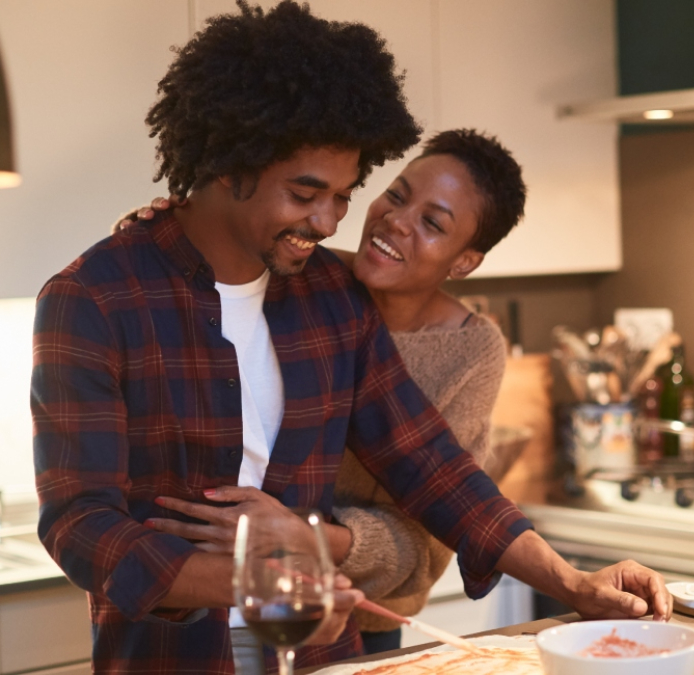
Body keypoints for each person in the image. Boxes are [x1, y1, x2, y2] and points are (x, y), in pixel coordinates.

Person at [31, 4, 669, 675]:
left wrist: (574, 582)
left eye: (344, 194)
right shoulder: (94, 299)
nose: (330, 220)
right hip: (171, 657)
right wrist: (258, 579)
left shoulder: (327, 293)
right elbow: (80, 525)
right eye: (307, 193)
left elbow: (432, 465)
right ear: (230, 161)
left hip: (321, 655)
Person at [125, 128, 528, 654]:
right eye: (398, 194)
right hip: (235, 594)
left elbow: (433, 521)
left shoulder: (470, 351)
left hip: (363, 610)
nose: (398, 221)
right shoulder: (303, 272)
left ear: (464, 261)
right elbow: (210, 258)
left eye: (432, 223)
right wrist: (167, 234)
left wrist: (306, 536)